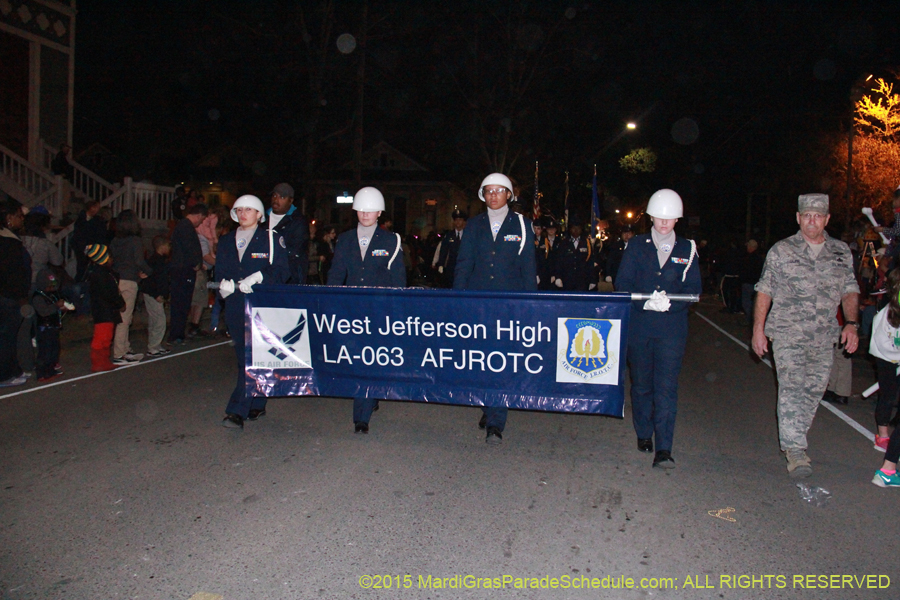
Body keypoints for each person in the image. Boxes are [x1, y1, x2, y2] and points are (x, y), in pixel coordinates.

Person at [752, 193, 859, 479]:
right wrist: (758, 330)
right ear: (799, 218)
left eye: (818, 216)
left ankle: (795, 437)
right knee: (792, 387)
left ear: (827, 219)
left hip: (824, 335)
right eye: (807, 215)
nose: (812, 221)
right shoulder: (782, 251)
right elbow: (765, 290)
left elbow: (850, 289)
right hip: (788, 333)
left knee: (813, 392)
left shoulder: (840, 252)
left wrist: (851, 323)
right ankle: (795, 450)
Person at [616, 189, 701, 469]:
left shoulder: (687, 249)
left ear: (677, 219)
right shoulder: (637, 245)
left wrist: (669, 305)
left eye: (670, 218)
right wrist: (645, 303)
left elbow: (693, 290)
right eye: (659, 218)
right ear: (651, 217)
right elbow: (623, 283)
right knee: (641, 385)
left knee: (666, 388)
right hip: (640, 327)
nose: (664, 223)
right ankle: (644, 432)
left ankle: (664, 448)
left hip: (671, 330)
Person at [453, 173, 537, 444]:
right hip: (478, 304)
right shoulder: (474, 225)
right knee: (480, 361)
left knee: (500, 362)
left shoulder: (523, 225)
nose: (493, 195)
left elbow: (528, 269)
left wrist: (529, 306)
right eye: (488, 191)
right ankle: (488, 405)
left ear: (509, 195)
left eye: (499, 191)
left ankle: (496, 421)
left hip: (509, 305)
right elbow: (464, 264)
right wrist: (458, 299)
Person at [328, 187, 406, 433]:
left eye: (370, 210)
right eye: (361, 209)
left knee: (370, 360)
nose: (365, 214)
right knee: (358, 359)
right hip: (351, 310)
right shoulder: (345, 239)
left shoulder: (391, 240)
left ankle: (361, 415)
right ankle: (369, 396)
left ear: (379, 212)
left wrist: (396, 311)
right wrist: (331, 302)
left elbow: (398, 279)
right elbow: (336, 274)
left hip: (378, 310)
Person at [216, 195, 290, 429]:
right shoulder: (227, 240)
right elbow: (220, 272)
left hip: (262, 305)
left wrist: (260, 277)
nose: (243, 213)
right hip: (236, 305)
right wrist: (223, 288)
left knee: (252, 358)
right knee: (245, 358)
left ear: (259, 214)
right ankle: (257, 401)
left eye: (249, 209)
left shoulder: (270, 239)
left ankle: (237, 410)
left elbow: (282, 272)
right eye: (239, 209)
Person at [870, 268, 900, 487]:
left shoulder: (887, 308)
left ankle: (888, 461)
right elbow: (881, 340)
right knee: (888, 396)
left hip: (889, 359)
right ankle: (888, 469)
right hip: (888, 360)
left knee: (888, 397)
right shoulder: (887, 311)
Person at [109, 210, 149, 365]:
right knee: (124, 319)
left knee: (124, 316)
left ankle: (125, 348)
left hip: (117, 279)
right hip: (129, 279)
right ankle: (119, 353)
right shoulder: (134, 240)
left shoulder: (115, 240)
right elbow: (139, 261)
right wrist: (149, 271)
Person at [168, 203, 208, 345]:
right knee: (181, 304)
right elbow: (188, 248)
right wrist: (195, 263)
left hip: (183, 270)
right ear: (198, 215)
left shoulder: (185, 226)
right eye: (201, 219)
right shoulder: (185, 227)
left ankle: (178, 333)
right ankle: (176, 335)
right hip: (183, 271)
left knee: (183, 303)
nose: (200, 223)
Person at [0, 200, 30, 387]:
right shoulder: (9, 243)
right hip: (8, 296)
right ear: (9, 218)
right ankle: (5, 374)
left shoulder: (8, 239)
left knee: (8, 335)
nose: (22, 219)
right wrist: (21, 297)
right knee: (7, 336)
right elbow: (14, 274)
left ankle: (13, 371)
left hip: (6, 295)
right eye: (19, 216)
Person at [85, 244, 126, 373]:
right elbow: (111, 293)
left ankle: (104, 361)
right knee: (102, 337)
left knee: (106, 336)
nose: (112, 259)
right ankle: (98, 362)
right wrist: (120, 303)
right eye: (109, 257)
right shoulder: (102, 275)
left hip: (105, 310)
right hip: (103, 310)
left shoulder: (103, 273)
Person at [267, 182, 310, 285]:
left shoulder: (298, 221)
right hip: (265, 276)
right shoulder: (261, 218)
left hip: (290, 278)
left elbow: (294, 251)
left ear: (290, 201)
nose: (276, 200)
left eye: (282, 197)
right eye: (274, 196)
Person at [31, 269, 66, 381]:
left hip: (53, 326)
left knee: (54, 349)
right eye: (49, 286)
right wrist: (56, 306)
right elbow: (44, 311)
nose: (52, 289)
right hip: (44, 328)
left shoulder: (50, 295)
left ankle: (51, 370)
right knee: (45, 351)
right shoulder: (38, 297)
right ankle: (42, 373)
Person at [140, 236, 171, 357]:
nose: (169, 248)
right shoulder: (155, 262)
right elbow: (150, 281)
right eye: (168, 246)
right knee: (159, 320)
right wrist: (156, 294)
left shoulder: (159, 261)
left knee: (155, 319)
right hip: (153, 294)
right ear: (162, 247)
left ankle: (155, 344)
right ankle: (153, 346)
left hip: (154, 294)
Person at [553, 220, 597, 292]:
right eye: (574, 228)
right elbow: (559, 261)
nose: (576, 230)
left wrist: (592, 280)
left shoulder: (586, 243)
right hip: (567, 279)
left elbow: (590, 262)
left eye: (578, 228)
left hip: (582, 279)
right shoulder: (564, 243)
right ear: (570, 229)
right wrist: (558, 277)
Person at [72, 200, 107, 283]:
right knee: (82, 270)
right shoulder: (82, 221)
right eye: (97, 207)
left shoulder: (95, 220)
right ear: (92, 208)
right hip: (84, 249)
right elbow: (80, 237)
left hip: (89, 249)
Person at [435, 209, 467, 288]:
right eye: (456, 220)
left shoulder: (468, 235)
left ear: (463, 221)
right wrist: (441, 264)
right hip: (451, 266)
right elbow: (443, 250)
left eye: (460, 220)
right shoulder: (449, 235)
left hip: (465, 266)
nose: (458, 222)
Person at [738, 239, 765, 325]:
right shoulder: (759, 258)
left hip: (749, 282)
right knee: (754, 302)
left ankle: (751, 319)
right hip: (756, 282)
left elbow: (745, 270)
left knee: (746, 302)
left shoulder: (749, 258)